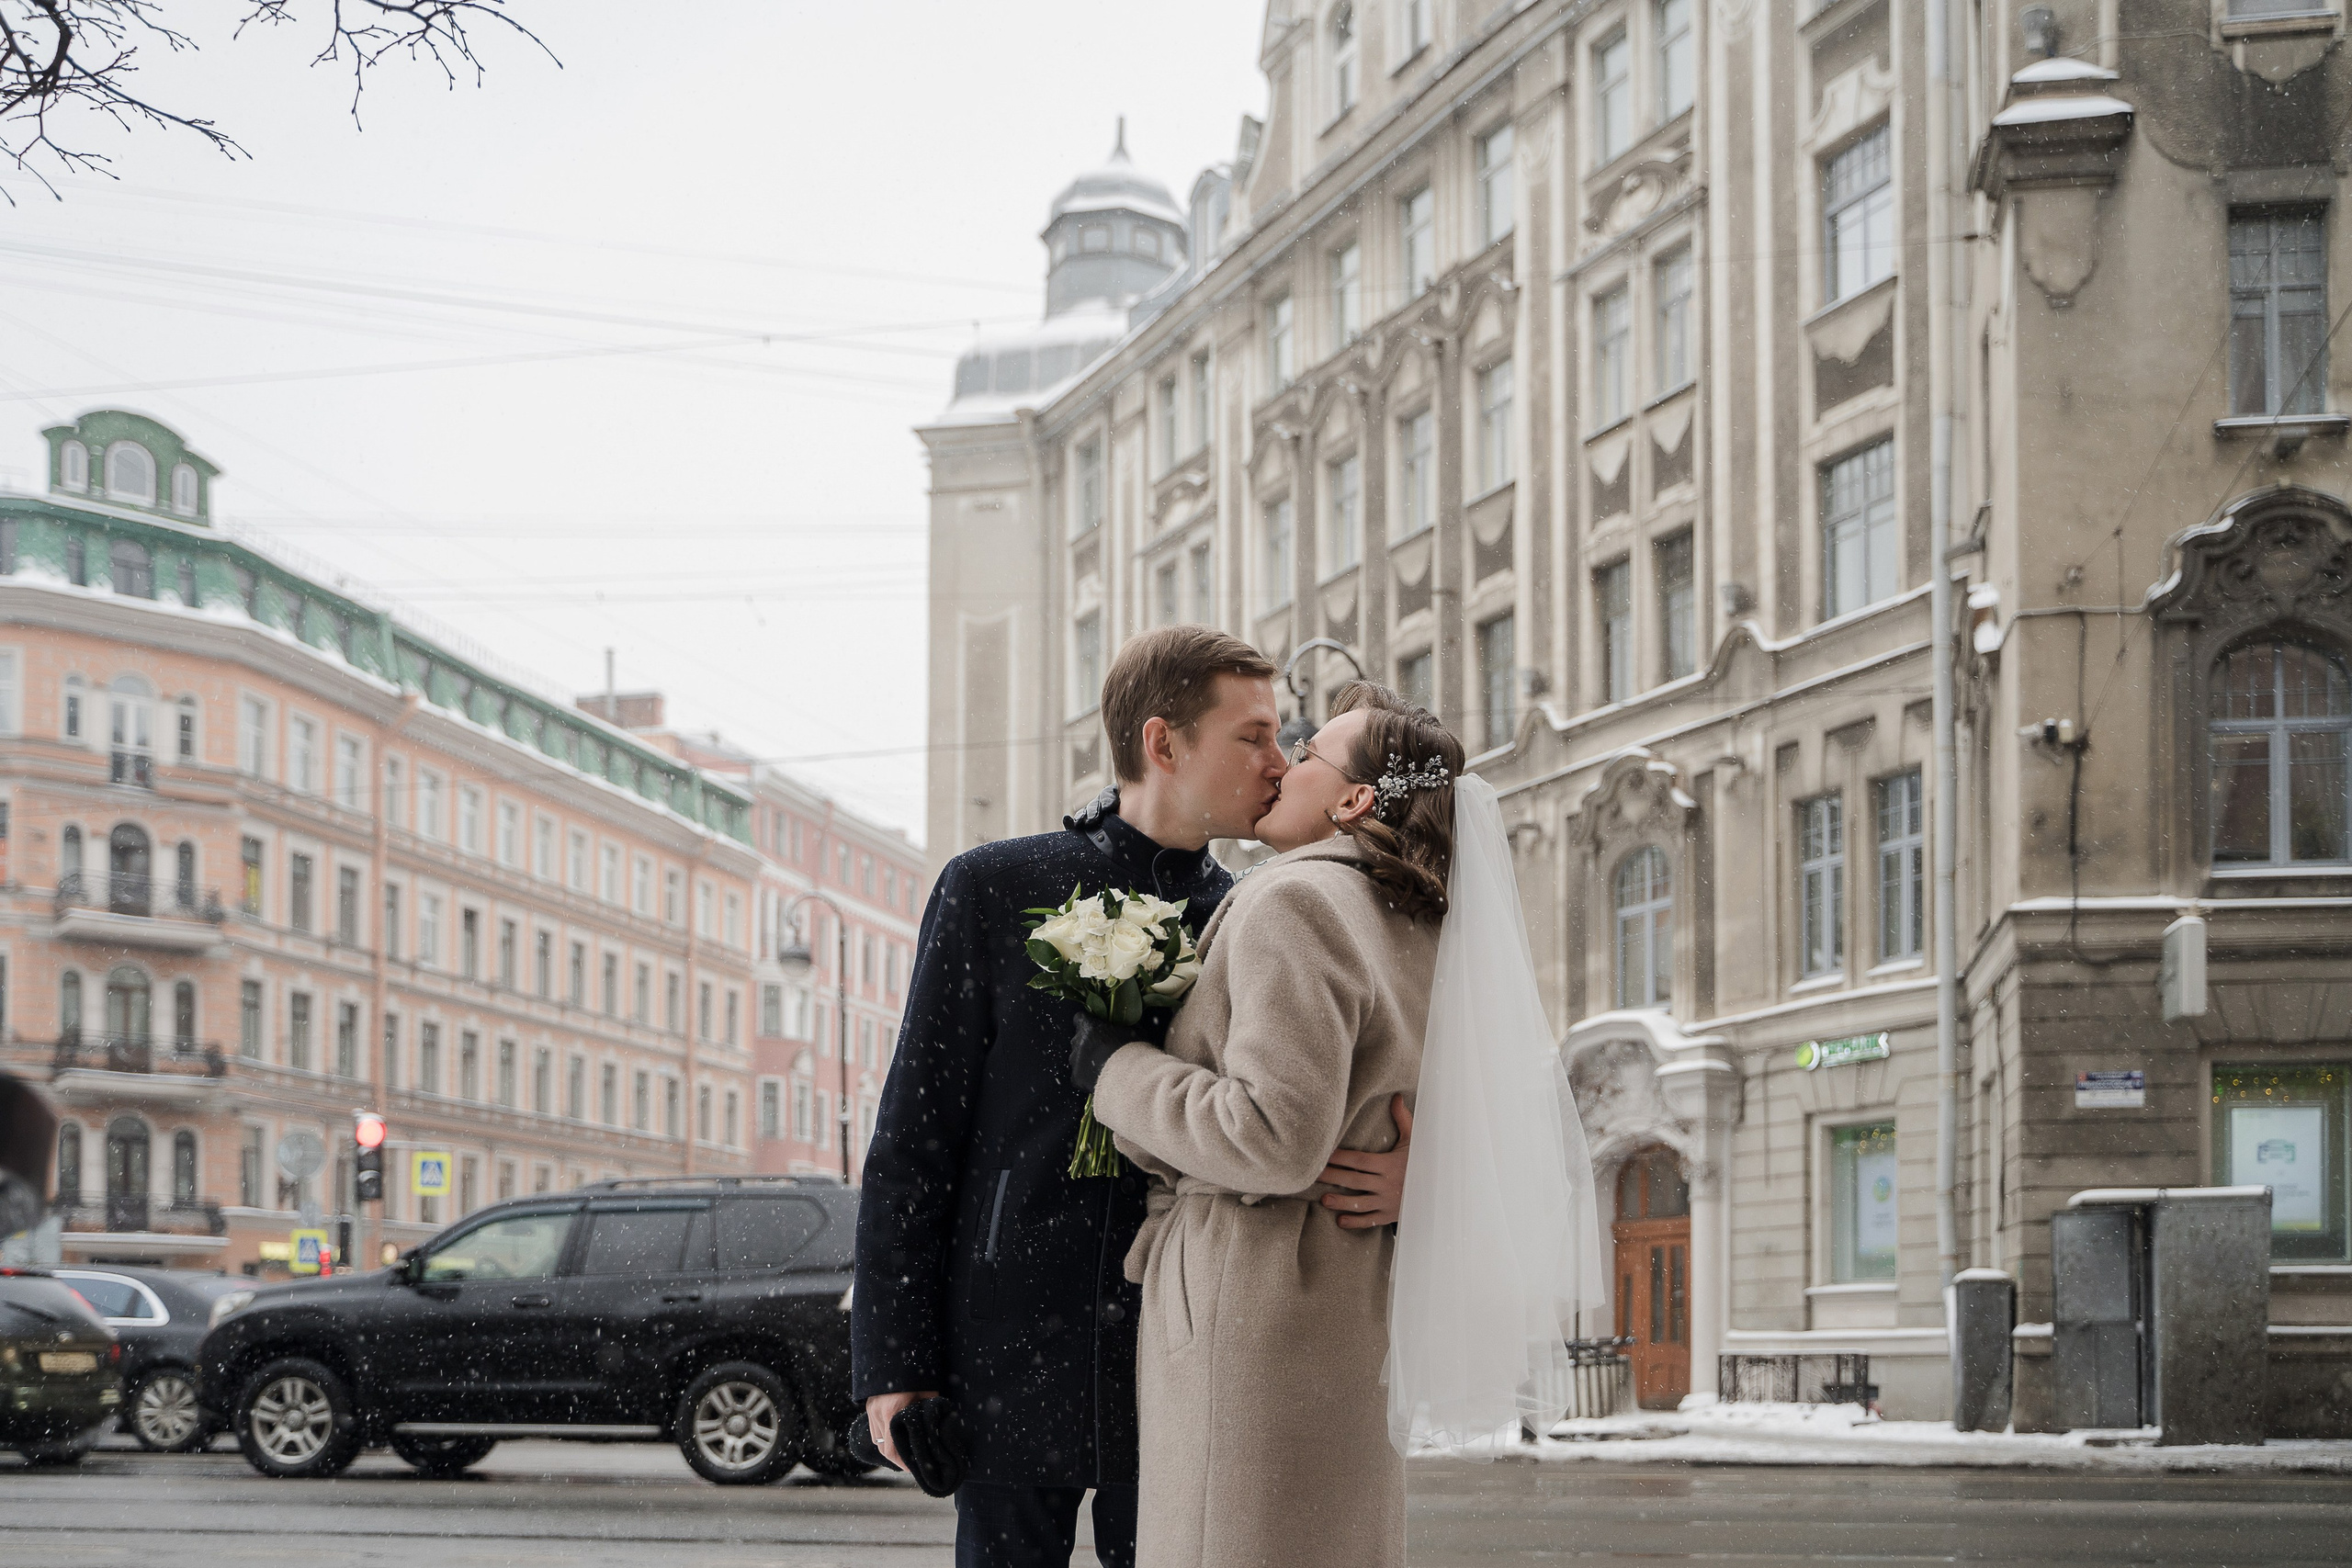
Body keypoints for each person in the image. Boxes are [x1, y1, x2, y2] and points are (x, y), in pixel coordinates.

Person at [853, 627, 1415, 1568]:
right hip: (1003, 1345)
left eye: (1286, 741)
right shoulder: (994, 887)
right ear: (1163, 744)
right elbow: (912, 1140)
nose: (1279, 763)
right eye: (1255, 737)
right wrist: (895, 1363)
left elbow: (1352, 1092)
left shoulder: (1262, 912)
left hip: (1187, 1353)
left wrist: (1415, 1176)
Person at [1075, 682, 1605, 1568]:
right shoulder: (1423, 925)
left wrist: (1115, 1070)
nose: (1283, 759)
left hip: (1258, 1295)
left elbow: (1270, 1137)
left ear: (1356, 799)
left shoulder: (1297, 904)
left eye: (1309, 748)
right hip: (1350, 1300)